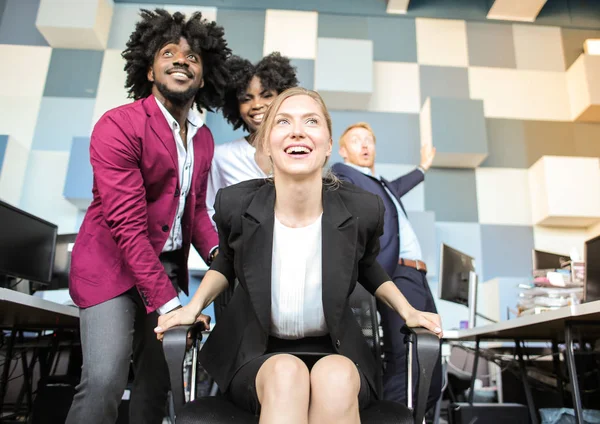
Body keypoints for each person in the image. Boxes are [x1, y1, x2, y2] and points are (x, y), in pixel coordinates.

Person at [155, 87, 443, 424]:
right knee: (285, 374)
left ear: (328, 145)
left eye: (311, 121)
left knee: (334, 378)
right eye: (283, 122)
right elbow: (227, 263)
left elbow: (369, 268)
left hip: (336, 349)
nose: (297, 131)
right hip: (257, 353)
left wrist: (409, 311)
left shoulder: (361, 209)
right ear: (267, 144)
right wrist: (191, 309)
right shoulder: (237, 204)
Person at [66, 9, 230, 424]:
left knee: (158, 386)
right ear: (150, 70)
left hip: (166, 266)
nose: (181, 60)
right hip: (111, 267)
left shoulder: (203, 137)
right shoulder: (119, 125)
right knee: (104, 379)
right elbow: (128, 227)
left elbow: (193, 211)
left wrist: (220, 253)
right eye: (169, 52)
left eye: (192, 57)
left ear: (204, 77)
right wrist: (171, 305)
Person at [330, 124, 442, 409]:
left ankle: (416, 414)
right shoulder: (345, 174)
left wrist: (423, 166)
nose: (365, 145)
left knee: (428, 353)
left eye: (369, 140)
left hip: (416, 274)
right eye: (356, 140)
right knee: (408, 356)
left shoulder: (381, 184)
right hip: (396, 271)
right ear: (342, 150)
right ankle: (393, 416)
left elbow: (400, 186)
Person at [206, 52, 298, 225]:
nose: (256, 105)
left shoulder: (300, 150)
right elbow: (210, 209)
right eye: (246, 99)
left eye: (266, 95)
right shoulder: (222, 156)